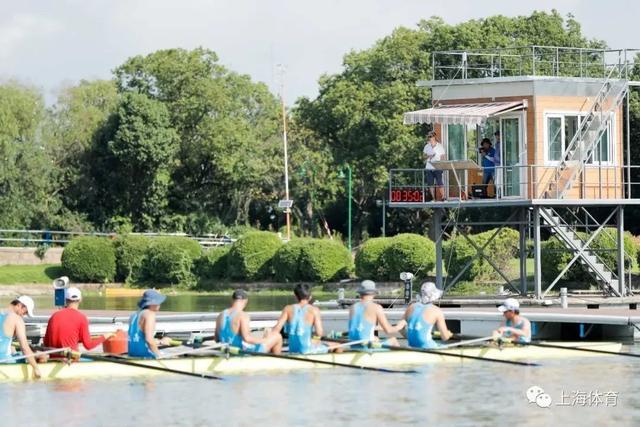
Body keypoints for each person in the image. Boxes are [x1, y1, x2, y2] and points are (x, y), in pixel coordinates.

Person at [44, 287, 114, 357]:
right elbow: (88, 346)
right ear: (80, 300)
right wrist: (105, 336)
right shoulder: (81, 318)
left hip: (53, 359)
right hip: (71, 360)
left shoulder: (54, 316)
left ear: (65, 299)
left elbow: (46, 343)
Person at [272, 284, 336, 354]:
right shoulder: (314, 310)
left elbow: (276, 330)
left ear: (295, 296)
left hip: (293, 349)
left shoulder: (287, 309)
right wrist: (315, 340)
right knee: (337, 346)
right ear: (310, 297)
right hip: (308, 350)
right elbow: (319, 333)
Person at [215, 289, 283, 354]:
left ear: (232, 300)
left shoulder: (220, 315)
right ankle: (277, 362)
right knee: (277, 336)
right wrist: (265, 339)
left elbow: (216, 339)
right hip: (240, 353)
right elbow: (247, 339)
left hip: (226, 351)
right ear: (245, 301)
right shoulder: (243, 315)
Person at [348, 280, 406, 348]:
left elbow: (364, 326)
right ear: (374, 293)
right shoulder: (376, 307)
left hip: (353, 345)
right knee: (393, 340)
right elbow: (389, 330)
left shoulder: (353, 307)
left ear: (360, 293)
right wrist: (400, 326)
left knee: (375, 338)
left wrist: (375, 333)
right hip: (366, 347)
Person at [0, 296, 41, 378]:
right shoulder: (17, 319)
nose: (24, 315)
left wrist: (14, 352)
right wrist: (36, 368)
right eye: (25, 312)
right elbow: (24, 347)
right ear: (19, 305)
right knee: (41, 356)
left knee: (17, 353)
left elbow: (4, 340)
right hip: (4, 360)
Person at [403, 282, 453, 349]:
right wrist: (448, 334)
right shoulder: (437, 311)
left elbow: (401, 328)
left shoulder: (410, 307)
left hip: (411, 346)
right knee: (446, 347)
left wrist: (413, 336)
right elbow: (445, 337)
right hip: (427, 347)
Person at [128, 289, 172, 358]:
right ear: (152, 303)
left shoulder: (134, 315)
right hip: (145, 356)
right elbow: (149, 340)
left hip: (132, 355)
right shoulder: (150, 314)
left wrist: (160, 341)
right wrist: (160, 356)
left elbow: (139, 338)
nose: (159, 304)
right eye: (158, 302)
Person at [423, 131, 446, 201]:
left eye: (431, 136)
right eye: (429, 137)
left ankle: (443, 197)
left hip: (437, 167)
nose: (430, 138)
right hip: (429, 167)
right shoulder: (427, 146)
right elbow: (423, 157)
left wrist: (442, 165)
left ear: (434, 137)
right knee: (430, 183)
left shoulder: (440, 146)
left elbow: (443, 157)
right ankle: (433, 198)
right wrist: (429, 156)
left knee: (440, 182)